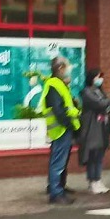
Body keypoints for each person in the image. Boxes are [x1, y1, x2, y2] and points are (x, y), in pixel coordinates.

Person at [41, 56, 81, 205]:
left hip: (62, 129)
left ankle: (59, 188)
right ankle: (56, 194)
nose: (68, 70)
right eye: (66, 67)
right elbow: (58, 110)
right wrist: (69, 125)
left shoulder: (59, 84)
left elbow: (65, 106)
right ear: (60, 68)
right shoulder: (54, 85)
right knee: (58, 163)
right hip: (61, 129)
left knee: (59, 162)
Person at [78, 68, 110, 194]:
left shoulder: (99, 91)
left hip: (102, 126)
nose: (100, 79)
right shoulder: (86, 92)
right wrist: (107, 102)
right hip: (92, 127)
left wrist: (107, 103)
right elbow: (100, 104)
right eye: (98, 77)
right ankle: (92, 181)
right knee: (92, 155)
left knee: (99, 155)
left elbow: (108, 105)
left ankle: (98, 180)